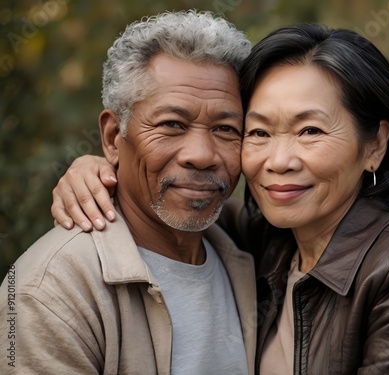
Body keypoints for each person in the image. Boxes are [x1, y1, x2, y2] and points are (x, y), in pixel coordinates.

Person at [50, 25, 389, 374]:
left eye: (310, 130)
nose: (278, 161)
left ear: (375, 145)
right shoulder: (268, 240)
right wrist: (105, 168)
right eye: (258, 133)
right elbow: (172, 200)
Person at [0, 10, 257, 374]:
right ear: (112, 138)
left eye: (226, 129)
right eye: (172, 124)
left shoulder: (252, 251)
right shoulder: (52, 290)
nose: (201, 155)